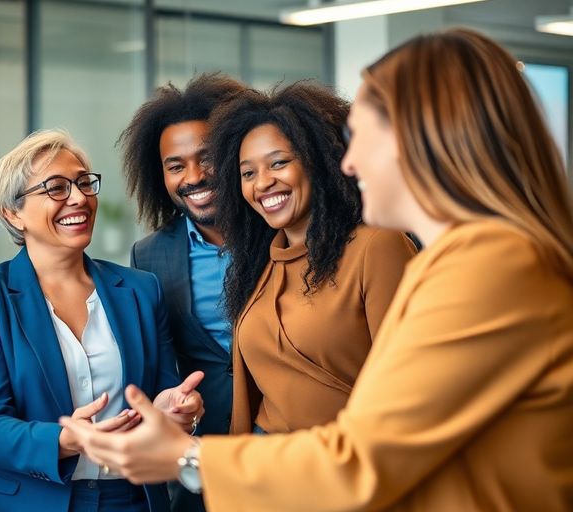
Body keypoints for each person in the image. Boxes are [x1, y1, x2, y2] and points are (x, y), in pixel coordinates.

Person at [59, 28, 573, 511]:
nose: (348, 164)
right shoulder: (473, 259)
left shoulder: (491, 267)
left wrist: (185, 457)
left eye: (364, 139)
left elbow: (364, 459)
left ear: (426, 141)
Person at [0, 129, 205, 512]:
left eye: (85, 183)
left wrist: (173, 409)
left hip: (131, 499)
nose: (78, 198)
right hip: (26, 501)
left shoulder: (139, 289)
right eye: (56, 188)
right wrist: (67, 439)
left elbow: (161, 396)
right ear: (12, 212)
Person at [208, 81, 415, 436]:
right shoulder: (259, 264)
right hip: (266, 469)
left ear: (318, 162)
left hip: (349, 467)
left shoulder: (376, 248)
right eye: (248, 173)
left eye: (279, 163)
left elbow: (407, 386)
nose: (263, 183)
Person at [118, 74, 245, 512]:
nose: (193, 176)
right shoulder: (150, 256)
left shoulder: (282, 234)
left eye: (206, 157)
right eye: (176, 166)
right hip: (200, 463)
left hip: (295, 447)